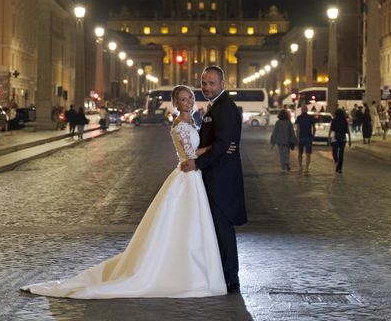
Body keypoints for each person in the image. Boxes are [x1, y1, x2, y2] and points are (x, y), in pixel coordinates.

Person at [21, 85, 233, 298]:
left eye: (190, 98)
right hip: (187, 177)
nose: (187, 102)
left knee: (191, 224)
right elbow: (189, 154)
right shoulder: (178, 125)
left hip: (193, 178)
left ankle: (192, 268)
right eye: (183, 99)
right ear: (176, 103)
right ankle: (182, 271)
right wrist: (217, 147)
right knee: (184, 223)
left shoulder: (192, 122)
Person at [181, 65, 246, 294]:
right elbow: (218, 143)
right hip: (214, 176)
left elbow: (222, 145)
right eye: (204, 83)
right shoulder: (214, 107)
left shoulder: (225, 107)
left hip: (222, 179)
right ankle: (222, 275)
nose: (206, 87)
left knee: (222, 229)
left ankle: (231, 279)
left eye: (211, 83)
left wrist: (197, 162)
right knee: (215, 229)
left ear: (222, 84)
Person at [329, 108, 351, 173]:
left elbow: (331, 129)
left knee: (334, 153)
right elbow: (348, 130)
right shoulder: (344, 121)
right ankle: (340, 168)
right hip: (343, 138)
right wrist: (350, 140)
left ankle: (337, 162)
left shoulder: (334, 120)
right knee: (341, 154)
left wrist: (328, 138)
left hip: (335, 138)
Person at [295, 105, 316, 173]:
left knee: (300, 153)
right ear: (307, 110)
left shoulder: (299, 118)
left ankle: (300, 166)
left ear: (301, 110)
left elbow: (298, 129)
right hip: (308, 137)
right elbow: (314, 128)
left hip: (301, 137)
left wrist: (297, 138)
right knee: (308, 153)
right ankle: (306, 167)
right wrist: (313, 136)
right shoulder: (311, 118)